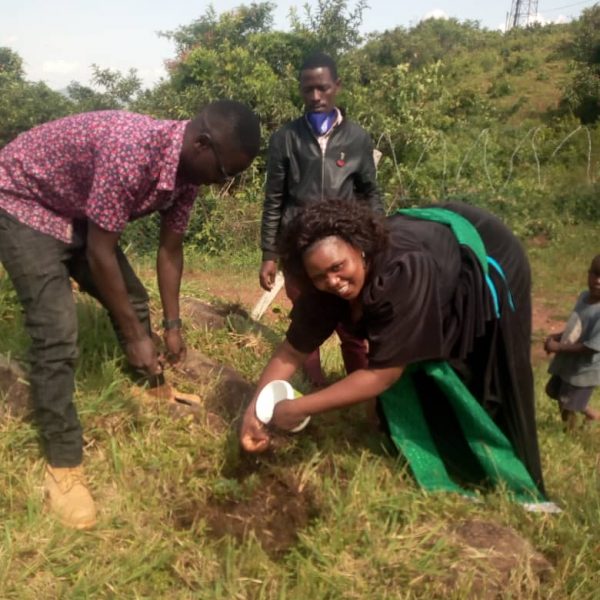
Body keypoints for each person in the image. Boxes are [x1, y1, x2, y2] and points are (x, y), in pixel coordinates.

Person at [0, 101, 261, 529]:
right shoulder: (130, 149)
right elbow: (100, 252)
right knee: (56, 333)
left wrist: (171, 326)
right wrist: (136, 336)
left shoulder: (188, 173)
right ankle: (63, 466)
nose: (221, 183)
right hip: (23, 202)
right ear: (202, 144)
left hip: (74, 209)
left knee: (135, 303)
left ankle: (152, 387)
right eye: (225, 173)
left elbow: (170, 249)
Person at [241, 198, 546, 496]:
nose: (333, 281)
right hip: (426, 237)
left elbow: (381, 375)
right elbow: (293, 351)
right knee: (407, 358)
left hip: (484, 250)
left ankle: (507, 473)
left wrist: (299, 407)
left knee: (482, 371)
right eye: (320, 276)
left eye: (338, 267)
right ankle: (428, 445)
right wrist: (254, 410)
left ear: (360, 249)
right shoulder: (322, 283)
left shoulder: (402, 270)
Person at [259, 51, 382, 387]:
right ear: (300, 90)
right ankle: (314, 385)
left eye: (323, 88)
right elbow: (273, 199)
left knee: (353, 325)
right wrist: (269, 253)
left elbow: (370, 193)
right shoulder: (285, 138)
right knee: (306, 317)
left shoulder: (357, 138)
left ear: (336, 86)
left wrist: (376, 243)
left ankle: (358, 388)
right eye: (308, 89)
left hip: (344, 251)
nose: (315, 97)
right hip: (299, 250)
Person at [544, 254, 600, 429]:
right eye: (595, 274)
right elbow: (576, 328)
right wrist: (558, 337)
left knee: (567, 403)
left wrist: (558, 347)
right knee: (553, 391)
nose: (598, 281)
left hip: (583, 370)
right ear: (588, 273)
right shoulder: (584, 297)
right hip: (568, 362)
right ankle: (593, 415)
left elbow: (591, 348)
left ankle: (570, 432)